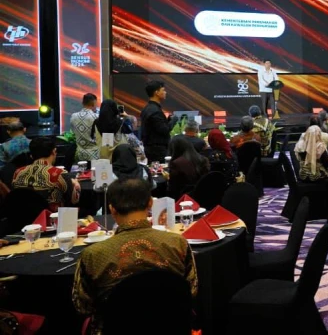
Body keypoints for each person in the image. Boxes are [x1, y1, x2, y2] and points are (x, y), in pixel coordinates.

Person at [72, 178, 198, 335]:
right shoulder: (177, 243)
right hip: (171, 327)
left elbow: (82, 306)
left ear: (112, 209)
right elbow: (191, 290)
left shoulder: (92, 254)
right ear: (150, 203)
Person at [12, 137, 80, 211]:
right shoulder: (59, 174)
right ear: (54, 151)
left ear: (31, 155)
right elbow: (74, 201)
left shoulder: (18, 172)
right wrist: (76, 186)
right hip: (51, 216)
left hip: (22, 215)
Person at [140, 81, 176, 163]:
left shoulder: (148, 108)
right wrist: (174, 120)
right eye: (163, 90)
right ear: (156, 92)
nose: (165, 92)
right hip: (157, 151)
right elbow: (164, 130)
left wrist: (168, 120)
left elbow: (156, 127)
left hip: (151, 149)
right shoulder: (155, 110)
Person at [70, 93, 99, 162]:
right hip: (94, 155)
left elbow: (73, 132)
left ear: (83, 103)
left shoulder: (73, 116)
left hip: (79, 155)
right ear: (93, 104)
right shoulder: (97, 117)